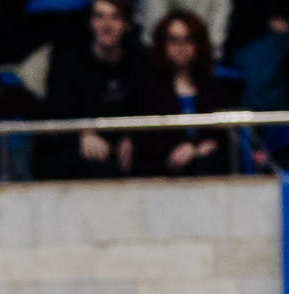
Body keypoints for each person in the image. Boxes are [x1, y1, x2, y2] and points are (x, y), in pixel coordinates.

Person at [44, 0, 142, 179]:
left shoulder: (140, 62)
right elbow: (55, 114)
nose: (106, 25)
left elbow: (148, 108)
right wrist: (81, 134)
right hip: (79, 151)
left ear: (127, 24)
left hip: (125, 151)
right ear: (90, 22)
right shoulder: (68, 63)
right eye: (99, 16)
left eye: (115, 17)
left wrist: (132, 138)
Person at [142, 10, 226, 176]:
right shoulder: (149, 88)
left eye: (187, 40)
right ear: (162, 44)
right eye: (173, 40)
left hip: (206, 168)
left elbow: (222, 136)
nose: (180, 47)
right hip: (163, 171)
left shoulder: (213, 87)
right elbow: (147, 140)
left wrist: (193, 149)